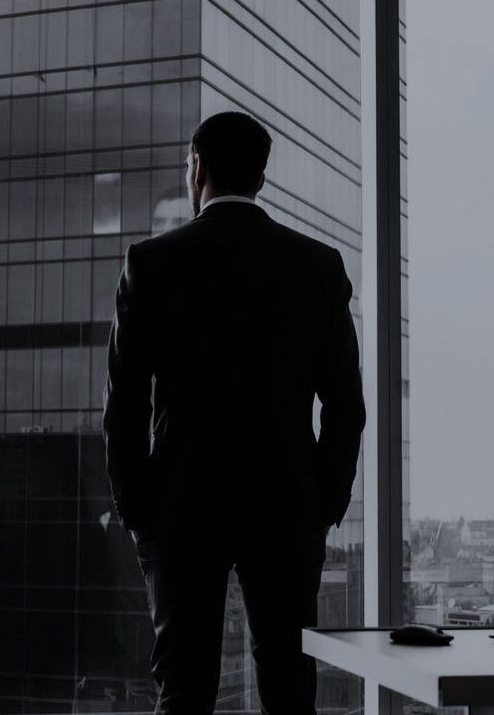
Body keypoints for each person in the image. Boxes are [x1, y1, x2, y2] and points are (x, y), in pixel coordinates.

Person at [102, 110, 366, 714]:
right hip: (285, 504)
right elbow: (345, 405)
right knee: (288, 684)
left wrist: (138, 510)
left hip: (181, 506)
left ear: (197, 167)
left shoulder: (150, 264)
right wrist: (323, 501)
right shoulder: (316, 266)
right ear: (262, 179)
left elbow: (124, 406)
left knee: (184, 687)